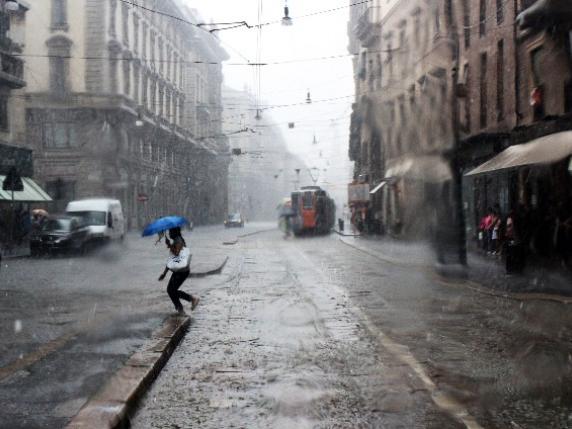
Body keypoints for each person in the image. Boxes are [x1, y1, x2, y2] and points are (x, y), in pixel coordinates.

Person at [158, 227, 199, 315]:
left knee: (171, 290)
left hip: (182, 271)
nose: (169, 234)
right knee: (171, 290)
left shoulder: (179, 240)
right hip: (179, 270)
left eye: (170, 232)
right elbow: (172, 259)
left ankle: (190, 301)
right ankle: (181, 308)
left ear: (174, 232)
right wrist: (164, 273)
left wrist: (169, 245)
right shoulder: (176, 241)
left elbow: (177, 253)